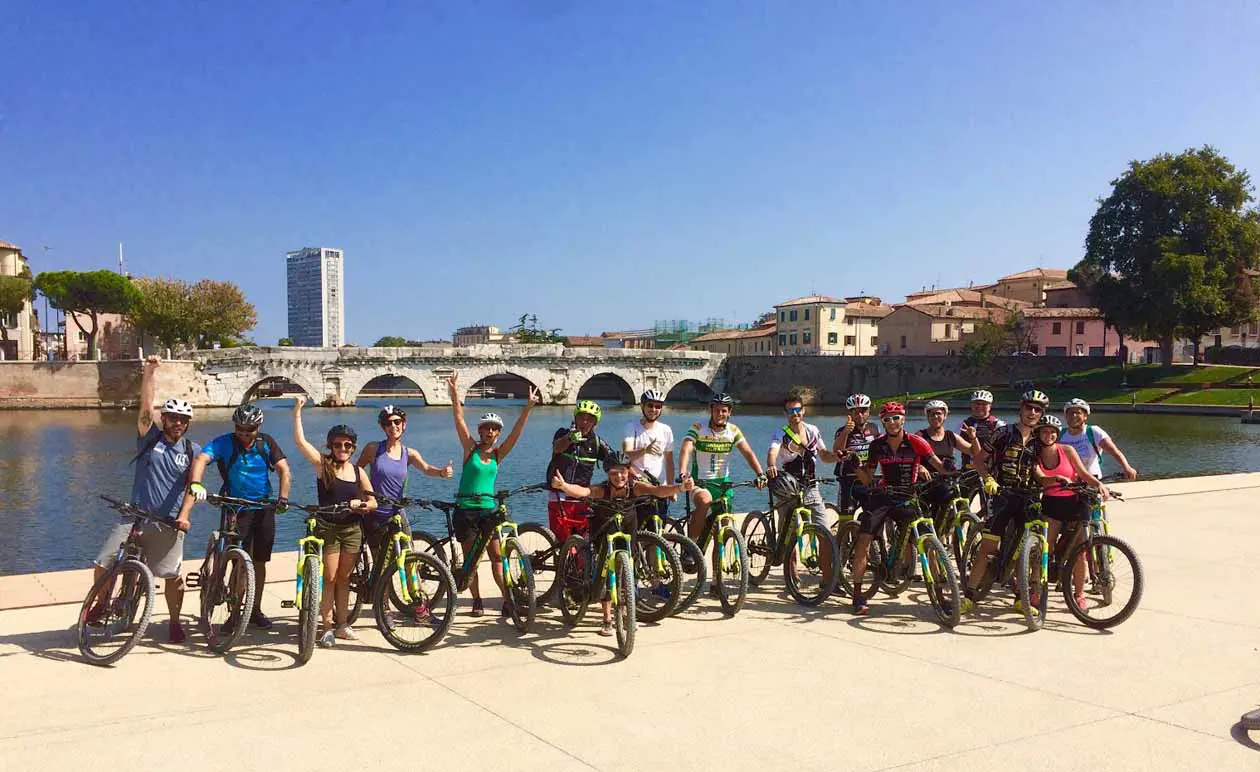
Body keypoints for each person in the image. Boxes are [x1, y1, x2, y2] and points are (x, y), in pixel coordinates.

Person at [88, 356, 199, 643]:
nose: (177, 423)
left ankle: (175, 622)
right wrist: (149, 373)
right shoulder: (150, 438)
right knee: (104, 562)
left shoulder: (192, 451)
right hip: (135, 516)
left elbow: (194, 487)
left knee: (172, 575)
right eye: (172, 418)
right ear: (164, 419)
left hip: (168, 523)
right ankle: (101, 603)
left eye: (182, 420)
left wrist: (184, 516)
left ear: (187, 424)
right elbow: (145, 408)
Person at [551, 452, 693, 635]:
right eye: (613, 473)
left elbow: (658, 492)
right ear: (608, 474)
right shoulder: (602, 490)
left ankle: (626, 613)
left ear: (628, 471)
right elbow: (583, 491)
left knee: (628, 572)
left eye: (623, 472)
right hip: (603, 529)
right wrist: (564, 486)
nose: (619, 477)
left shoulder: (636, 487)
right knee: (603, 571)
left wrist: (680, 488)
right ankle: (607, 619)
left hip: (627, 529)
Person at [186, 402, 292, 629]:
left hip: (263, 507)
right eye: (240, 429)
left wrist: (283, 498)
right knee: (238, 561)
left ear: (258, 427)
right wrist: (196, 483)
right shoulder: (225, 442)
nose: (244, 434)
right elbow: (201, 459)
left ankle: (254, 609)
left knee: (260, 562)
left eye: (250, 430)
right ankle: (234, 613)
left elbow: (284, 469)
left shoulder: (266, 443)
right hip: (235, 507)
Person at [448, 372, 538, 617]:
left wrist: (527, 409)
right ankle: (476, 600)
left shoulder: (498, 454)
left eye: (494, 430)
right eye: (486, 428)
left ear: (498, 434)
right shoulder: (470, 449)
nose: (490, 432)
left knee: (498, 557)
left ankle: (507, 599)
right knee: (471, 561)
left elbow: (516, 436)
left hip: (488, 511)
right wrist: (455, 394)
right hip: (466, 509)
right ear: (480, 431)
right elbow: (459, 420)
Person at [290, 395, 377, 646]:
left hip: (351, 530)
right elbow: (300, 442)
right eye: (338, 445)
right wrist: (297, 410)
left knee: (344, 578)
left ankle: (342, 624)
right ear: (330, 446)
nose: (343, 449)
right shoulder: (323, 465)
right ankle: (326, 626)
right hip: (328, 529)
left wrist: (362, 504)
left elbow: (373, 501)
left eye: (348, 446)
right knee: (328, 577)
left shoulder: (358, 472)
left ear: (353, 448)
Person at [850, 401, 948, 616]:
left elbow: (939, 465)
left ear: (903, 419)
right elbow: (868, 479)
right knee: (863, 540)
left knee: (929, 541)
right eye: (887, 419)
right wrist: (856, 467)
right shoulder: (877, 445)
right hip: (883, 496)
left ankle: (940, 595)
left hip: (908, 497)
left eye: (896, 418)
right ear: (883, 423)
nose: (892, 422)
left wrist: (950, 470)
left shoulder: (917, 442)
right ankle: (857, 595)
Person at [962, 389, 1049, 612]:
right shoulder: (1003, 433)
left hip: (1028, 497)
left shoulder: (1040, 441)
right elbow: (980, 459)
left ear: (1041, 414)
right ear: (1021, 409)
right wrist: (988, 478)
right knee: (989, 548)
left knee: (1028, 549)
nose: (1032, 412)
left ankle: (1022, 597)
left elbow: (1038, 468)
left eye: (1037, 410)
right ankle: (969, 595)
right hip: (1003, 495)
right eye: (1028, 407)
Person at [357, 404, 453, 567]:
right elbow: (357, 472)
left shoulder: (409, 453)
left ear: (404, 424)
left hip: (397, 511)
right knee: (381, 564)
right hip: (375, 512)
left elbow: (427, 468)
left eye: (397, 422)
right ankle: (380, 592)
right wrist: (362, 497)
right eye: (388, 423)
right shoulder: (373, 449)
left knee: (410, 558)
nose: (393, 426)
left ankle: (415, 591)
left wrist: (441, 472)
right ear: (383, 427)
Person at [1033, 413, 1107, 611]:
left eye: (1053, 432)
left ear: (1058, 434)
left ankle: (1079, 594)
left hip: (1074, 501)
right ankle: (1037, 588)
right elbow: (1040, 478)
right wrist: (1055, 479)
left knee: (1081, 552)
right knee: (1044, 549)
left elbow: (1082, 473)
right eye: (1045, 431)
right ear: (1038, 433)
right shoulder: (1034, 453)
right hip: (1052, 504)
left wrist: (1099, 485)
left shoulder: (1067, 450)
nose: (1049, 435)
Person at [676, 393, 767, 548]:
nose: (720, 414)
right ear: (710, 410)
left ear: (729, 412)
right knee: (704, 502)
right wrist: (683, 473)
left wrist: (760, 474)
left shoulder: (733, 431)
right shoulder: (698, 427)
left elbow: (748, 453)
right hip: (700, 483)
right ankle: (690, 546)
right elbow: (686, 449)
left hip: (723, 484)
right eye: (717, 410)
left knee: (725, 528)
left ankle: (719, 567)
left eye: (724, 411)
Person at [547, 399, 617, 546]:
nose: (585, 422)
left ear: (595, 423)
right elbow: (557, 447)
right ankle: (562, 565)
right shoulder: (562, 433)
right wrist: (569, 439)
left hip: (581, 496)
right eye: (581, 417)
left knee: (583, 542)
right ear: (575, 418)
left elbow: (615, 461)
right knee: (563, 541)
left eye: (590, 419)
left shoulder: (597, 442)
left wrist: (629, 476)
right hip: (559, 495)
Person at [767, 392, 841, 529]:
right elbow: (772, 452)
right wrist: (771, 465)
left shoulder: (812, 430)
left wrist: (837, 456)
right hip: (788, 488)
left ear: (803, 410)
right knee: (788, 533)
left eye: (797, 410)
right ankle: (784, 549)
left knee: (824, 530)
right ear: (785, 413)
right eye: (790, 411)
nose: (795, 413)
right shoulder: (780, 434)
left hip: (811, 486)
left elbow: (823, 455)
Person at [623, 389, 675, 526]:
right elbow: (626, 453)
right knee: (638, 529)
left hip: (659, 486)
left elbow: (669, 461)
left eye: (658, 406)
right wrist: (645, 450)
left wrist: (671, 487)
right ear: (642, 406)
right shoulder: (631, 427)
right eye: (650, 405)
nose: (654, 409)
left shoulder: (666, 430)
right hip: (638, 486)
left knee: (658, 531)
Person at [1060, 398, 1138, 481]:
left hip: (1092, 481)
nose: (1074, 415)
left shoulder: (1093, 431)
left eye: (1078, 413)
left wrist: (1126, 467)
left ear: (1085, 416)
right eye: (1070, 413)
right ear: (1066, 415)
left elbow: (1114, 451)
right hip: (1066, 482)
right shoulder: (1060, 434)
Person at [957, 389, 1005, 514]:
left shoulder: (998, 424)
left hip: (989, 472)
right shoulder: (964, 424)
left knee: (991, 506)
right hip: (968, 470)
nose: (979, 407)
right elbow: (959, 446)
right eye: (976, 403)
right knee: (961, 507)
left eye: (984, 404)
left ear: (990, 406)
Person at [832, 393, 879, 515]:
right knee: (845, 517)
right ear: (850, 414)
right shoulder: (842, 431)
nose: (859, 414)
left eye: (863, 411)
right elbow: (837, 451)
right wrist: (846, 432)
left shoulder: (874, 428)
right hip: (848, 479)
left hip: (867, 477)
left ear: (868, 412)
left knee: (872, 515)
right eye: (855, 411)